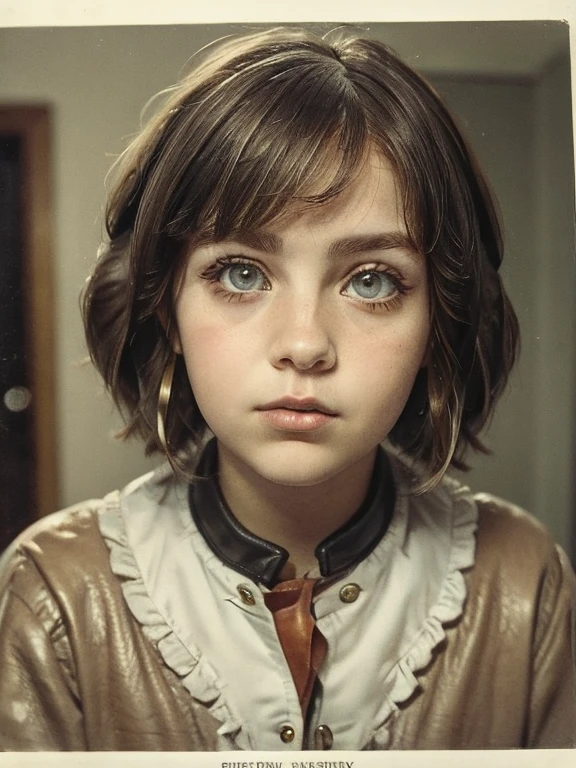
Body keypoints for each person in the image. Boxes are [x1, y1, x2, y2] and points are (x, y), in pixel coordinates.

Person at [0, 26, 574, 752]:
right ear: (166, 304)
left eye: (371, 281)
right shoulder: (54, 594)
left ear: (438, 321)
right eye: (241, 273)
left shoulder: (526, 582)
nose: (304, 344)